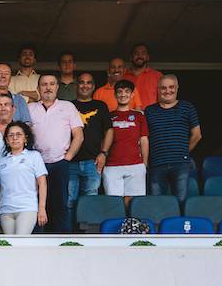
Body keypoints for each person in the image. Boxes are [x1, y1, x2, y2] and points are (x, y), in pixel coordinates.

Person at [28, 75, 83, 233]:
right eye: (44, 84)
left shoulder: (68, 107)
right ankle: (39, 243)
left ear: (57, 87)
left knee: (60, 204)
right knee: (37, 203)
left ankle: (62, 243)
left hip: (60, 162)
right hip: (36, 165)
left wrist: (68, 158)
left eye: (52, 84)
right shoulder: (31, 108)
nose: (48, 87)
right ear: (38, 88)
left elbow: (78, 135)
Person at [145, 74, 201, 210]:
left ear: (177, 88)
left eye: (171, 87)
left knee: (181, 202)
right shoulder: (149, 111)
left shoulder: (187, 107)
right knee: (156, 203)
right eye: (163, 88)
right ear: (158, 90)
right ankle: (159, 230)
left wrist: (183, 152)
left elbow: (197, 134)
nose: (167, 91)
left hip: (180, 163)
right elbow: (143, 138)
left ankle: (178, 229)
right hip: (156, 163)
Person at [68, 73, 112, 228]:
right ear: (76, 86)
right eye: (81, 82)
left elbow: (109, 131)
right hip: (70, 162)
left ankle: (88, 236)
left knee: (91, 200)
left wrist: (104, 153)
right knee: (69, 201)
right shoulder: (68, 106)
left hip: (93, 161)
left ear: (93, 86)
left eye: (88, 83)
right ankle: (69, 236)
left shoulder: (101, 106)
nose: (84, 85)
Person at [104, 80, 149, 209]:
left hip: (135, 164)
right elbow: (103, 140)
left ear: (132, 94)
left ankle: (133, 228)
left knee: (135, 203)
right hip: (112, 165)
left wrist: (144, 163)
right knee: (114, 204)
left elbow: (144, 140)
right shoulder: (108, 116)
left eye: (127, 91)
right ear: (115, 95)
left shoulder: (139, 116)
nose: (123, 94)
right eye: (119, 91)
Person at [0, 121, 48, 235]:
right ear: (6, 140)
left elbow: (42, 183)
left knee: (21, 242)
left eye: (19, 134)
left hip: (27, 207)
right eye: (11, 135)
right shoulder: (1, 162)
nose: (15, 138)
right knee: (10, 246)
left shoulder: (34, 156)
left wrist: (42, 208)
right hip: (6, 210)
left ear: (26, 138)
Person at [124, 43, 163, 110]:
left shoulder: (158, 76)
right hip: (127, 118)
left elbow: (163, 100)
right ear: (131, 57)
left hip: (150, 117)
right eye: (136, 53)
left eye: (143, 53)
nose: (140, 56)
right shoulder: (123, 76)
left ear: (148, 57)